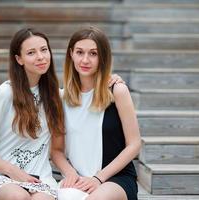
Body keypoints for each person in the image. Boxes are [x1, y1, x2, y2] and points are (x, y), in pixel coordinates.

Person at [0, 28, 65, 200]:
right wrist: (13, 172)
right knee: (18, 197)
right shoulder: (5, 94)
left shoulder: (56, 96)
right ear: (19, 59)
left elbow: (88, 94)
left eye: (44, 50)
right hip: (3, 177)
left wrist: (113, 82)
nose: (41, 57)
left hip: (41, 178)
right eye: (31, 52)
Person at [51, 26, 142, 200]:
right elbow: (56, 150)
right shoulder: (61, 98)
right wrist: (70, 174)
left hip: (115, 179)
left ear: (103, 57)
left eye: (93, 53)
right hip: (79, 178)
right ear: (71, 54)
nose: (85, 60)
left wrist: (98, 178)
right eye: (80, 52)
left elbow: (134, 144)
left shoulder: (117, 90)